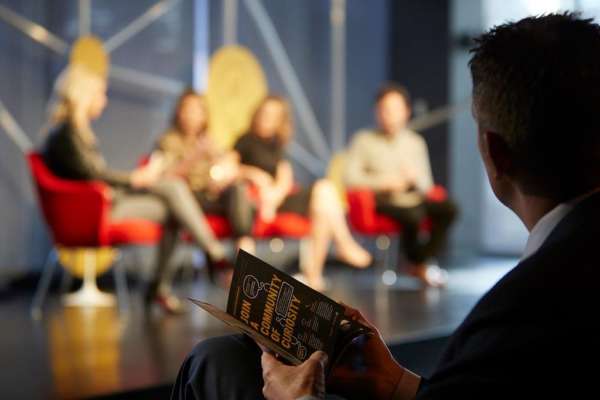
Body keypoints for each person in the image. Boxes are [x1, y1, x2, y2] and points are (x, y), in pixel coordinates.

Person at [171, 13, 600, 399]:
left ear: (495, 152)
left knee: (215, 362)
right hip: (371, 202)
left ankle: (372, 255)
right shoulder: (559, 284)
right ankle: (360, 252)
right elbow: (352, 179)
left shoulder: (521, 312)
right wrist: (397, 383)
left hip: (394, 202)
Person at [42, 65, 232, 315]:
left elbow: (93, 175)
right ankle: (212, 256)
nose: (104, 100)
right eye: (100, 94)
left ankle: (164, 285)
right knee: (174, 192)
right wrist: (134, 179)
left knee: (174, 203)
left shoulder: (73, 132)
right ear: (83, 96)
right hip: (93, 212)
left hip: (100, 203)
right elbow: (94, 176)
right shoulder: (67, 134)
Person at [233, 95, 372, 291]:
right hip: (257, 202)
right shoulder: (245, 140)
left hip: (277, 199)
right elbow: (229, 169)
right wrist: (255, 175)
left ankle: (314, 274)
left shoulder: (276, 145)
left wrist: (275, 195)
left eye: (273, 116)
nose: (267, 119)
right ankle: (342, 245)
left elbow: (284, 176)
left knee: (324, 193)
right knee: (323, 194)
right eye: (264, 113)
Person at [344, 84, 457, 287]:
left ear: (406, 111)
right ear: (377, 112)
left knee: (449, 209)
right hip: (382, 201)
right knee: (412, 215)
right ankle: (420, 265)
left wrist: (415, 180)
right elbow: (350, 178)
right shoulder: (363, 140)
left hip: (413, 197)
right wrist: (384, 183)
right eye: (384, 109)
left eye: (395, 109)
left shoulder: (415, 142)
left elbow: (427, 185)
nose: (389, 115)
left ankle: (417, 262)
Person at [152, 89, 256, 255]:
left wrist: (221, 174)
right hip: (188, 198)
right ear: (179, 112)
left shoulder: (209, 140)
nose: (192, 115)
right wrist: (195, 155)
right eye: (188, 109)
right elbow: (167, 177)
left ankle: (244, 247)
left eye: (197, 110)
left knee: (238, 190)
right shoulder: (168, 140)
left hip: (211, 195)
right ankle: (218, 256)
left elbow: (226, 167)